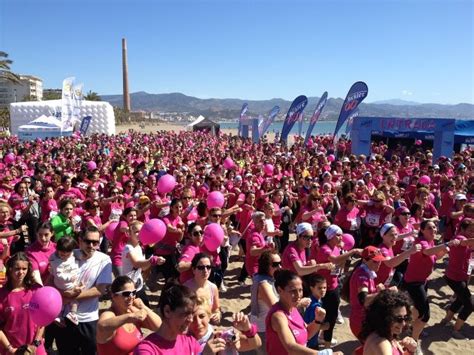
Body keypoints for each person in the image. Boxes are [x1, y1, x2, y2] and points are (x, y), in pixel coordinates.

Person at [55, 226, 113, 355]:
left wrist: (70, 297)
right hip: (64, 319)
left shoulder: (104, 260)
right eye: (88, 241)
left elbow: (99, 290)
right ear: (80, 240)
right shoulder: (68, 254)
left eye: (96, 242)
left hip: (88, 319)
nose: (91, 245)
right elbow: (54, 277)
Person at [402, 220, 458, 341]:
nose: (434, 230)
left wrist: (443, 251)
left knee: (417, 309)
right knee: (425, 315)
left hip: (423, 281)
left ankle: (406, 325)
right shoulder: (420, 241)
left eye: (434, 227)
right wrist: (447, 244)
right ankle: (414, 341)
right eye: (429, 228)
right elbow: (427, 252)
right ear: (422, 230)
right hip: (414, 282)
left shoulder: (431, 242)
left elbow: (434, 257)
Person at [265, 269, 342, 355]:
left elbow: (306, 333)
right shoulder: (278, 316)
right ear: (279, 290)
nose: (298, 295)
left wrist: (318, 320)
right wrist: (325, 354)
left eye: (300, 290)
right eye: (293, 291)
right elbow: (290, 347)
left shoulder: (293, 308)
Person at [134, 283, 225, 354]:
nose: (191, 319)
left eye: (191, 314)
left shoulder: (190, 341)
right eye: (185, 314)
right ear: (167, 311)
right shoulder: (146, 350)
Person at [316, 224, 362, 348]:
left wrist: (345, 255)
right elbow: (335, 260)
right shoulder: (325, 249)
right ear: (330, 237)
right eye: (338, 235)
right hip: (323, 288)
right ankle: (324, 344)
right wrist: (353, 251)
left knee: (332, 316)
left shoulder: (336, 248)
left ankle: (324, 340)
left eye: (341, 234)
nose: (341, 237)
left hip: (334, 285)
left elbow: (340, 266)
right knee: (323, 316)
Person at [96, 276, 162, 354]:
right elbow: (102, 326)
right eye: (126, 294)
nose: (131, 297)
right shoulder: (110, 314)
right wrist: (130, 317)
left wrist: (143, 307)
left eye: (133, 293)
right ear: (114, 296)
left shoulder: (133, 311)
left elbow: (159, 327)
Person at [0, 252, 46, 355]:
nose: (21, 272)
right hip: (11, 349)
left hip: (35, 347)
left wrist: (35, 344)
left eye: (24, 269)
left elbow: (43, 320)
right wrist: (11, 350)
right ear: (10, 269)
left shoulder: (36, 290)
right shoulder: (2, 295)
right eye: (17, 269)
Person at [189, 297, 262, 355]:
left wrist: (248, 329)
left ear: (209, 316)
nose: (198, 322)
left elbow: (256, 344)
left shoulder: (221, 336)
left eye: (202, 316)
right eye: (192, 318)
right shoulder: (181, 341)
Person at [440, 218, 474, 339]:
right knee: (470, 305)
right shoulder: (460, 238)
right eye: (470, 230)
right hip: (455, 277)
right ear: (462, 229)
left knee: (460, 299)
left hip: (461, 276)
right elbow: (466, 242)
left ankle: (446, 320)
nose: (472, 232)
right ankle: (456, 330)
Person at [357, 290, 418, 355]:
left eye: (405, 317)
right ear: (384, 318)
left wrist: (410, 350)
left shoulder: (384, 334)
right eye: (398, 319)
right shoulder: (383, 344)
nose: (403, 323)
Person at [348, 246, 389, 339]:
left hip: (365, 319)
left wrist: (376, 290)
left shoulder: (367, 272)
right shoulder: (362, 275)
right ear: (365, 261)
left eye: (379, 261)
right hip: (361, 322)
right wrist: (383, 293)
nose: (378, 264)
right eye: (375, 261)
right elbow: (364, 300)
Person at [121, 220, 165, 306]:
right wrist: (152, 260)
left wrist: (154, 261)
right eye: (136, 232)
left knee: (145, 308)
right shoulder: (128, 248)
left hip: (139, 286)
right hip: (129, 288)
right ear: (129, 233)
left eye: (141, 231)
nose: (139, 234)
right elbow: (136, 263)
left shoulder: (139, 247)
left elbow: (143, 268)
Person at [249, 251, 281, 354]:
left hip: (264, 326)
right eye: (276, 264)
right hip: (263, 329)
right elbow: (276, 306)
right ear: (266, 266)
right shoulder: (264, 284)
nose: (280, 267)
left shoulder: (262, 277)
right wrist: (298, 303)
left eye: (280, 263)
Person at [184, 253, 221, 325]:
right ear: (193, 270)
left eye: (208, 267)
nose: (205, 270)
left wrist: (217, 315)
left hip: (206, 326)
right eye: (201, 268)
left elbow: (216, 308)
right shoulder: (186, 288)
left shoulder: (213, 288)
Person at [303, 274, 329, 350]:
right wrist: (324, 327)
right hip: (310, 342)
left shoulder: (314, 300)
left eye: (325, 287)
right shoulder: (314, 306)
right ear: (312, 288)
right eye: (319, 288)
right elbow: (311, 325)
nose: (323, 290)